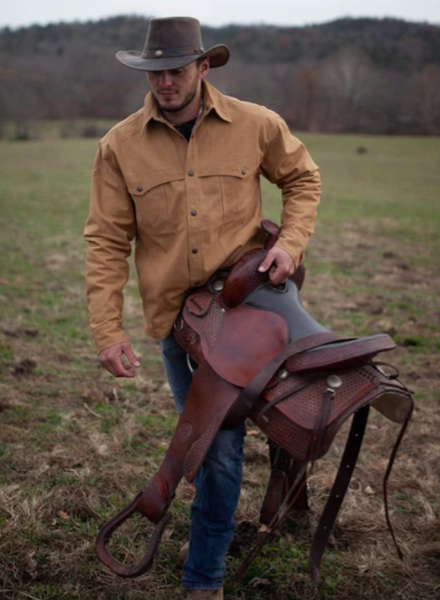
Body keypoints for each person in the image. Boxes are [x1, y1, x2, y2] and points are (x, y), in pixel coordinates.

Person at [84, 16, 321, 600]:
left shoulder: (256, 123)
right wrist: (107, 330)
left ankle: (205, 572)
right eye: (155, 71)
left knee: (235, 444)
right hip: (178, 327)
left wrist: (288, 246)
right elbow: (107, 241)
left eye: (177, 69)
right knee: (214, 450)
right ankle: (209, 570)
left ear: (203, 66)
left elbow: (303, 179)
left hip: (252, 311)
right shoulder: (119, 145)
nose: (165, 81)